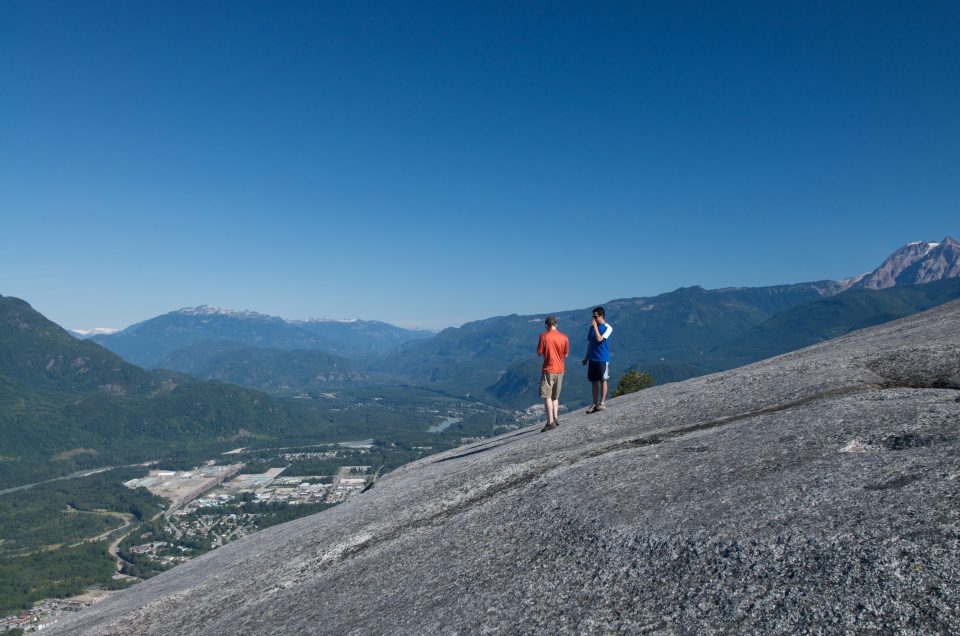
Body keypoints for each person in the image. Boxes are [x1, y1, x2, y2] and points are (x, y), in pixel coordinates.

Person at [537, 315, 569, 432]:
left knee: (547, 396)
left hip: (549, 369)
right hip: (560, 369)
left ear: (546, 325)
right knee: (555, 396)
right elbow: (566, 354)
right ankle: (556, 418)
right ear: (556, 324)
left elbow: (539, 353)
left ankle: (550, 421)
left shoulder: (544, 336)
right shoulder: (564, 337)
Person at [582, 306, 613, 413]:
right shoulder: (592, 328)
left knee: (603, 380)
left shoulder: (608, 327)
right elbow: (590, 343)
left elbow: (600, 339)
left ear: (601, 316)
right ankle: (594, 403)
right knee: (593, 381)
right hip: (592, 358)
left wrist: (595, 327)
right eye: (593, 316)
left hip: (602, 358)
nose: (593, 318)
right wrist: (586, 357)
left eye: (595, 316)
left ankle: (602, 402)